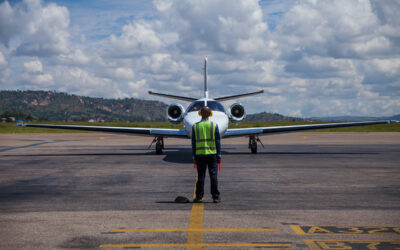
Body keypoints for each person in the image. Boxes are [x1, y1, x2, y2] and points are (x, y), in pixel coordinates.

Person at [191, 106, 221, 203]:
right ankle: (215, 197)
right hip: (212, 155)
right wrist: (219, 154)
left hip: (200, 155)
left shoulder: (195, 126)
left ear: (200, 114)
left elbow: (194, 143)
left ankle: (199, 197)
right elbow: (217, 141)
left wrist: (193, 156)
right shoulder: (214, 125)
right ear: (210, 114)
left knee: (201, 176)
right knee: (213, 176)